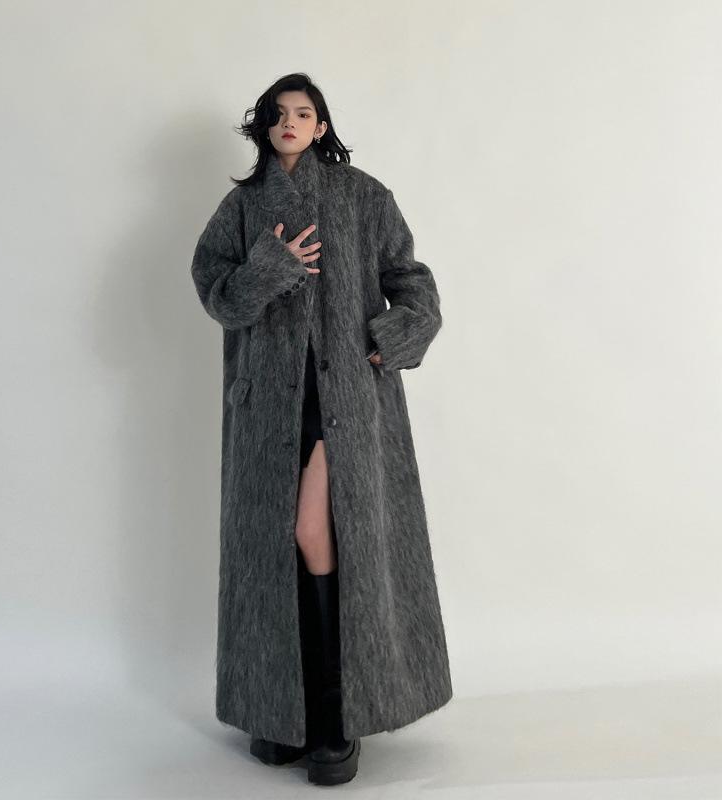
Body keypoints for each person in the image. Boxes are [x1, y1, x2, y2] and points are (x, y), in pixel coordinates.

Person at [191, 72, 451, 787]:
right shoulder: (242, 207)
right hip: (269, 408)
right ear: (263, 127)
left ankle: (335, 715)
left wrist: (395, 337)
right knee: (269, 550)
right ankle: (284, 714)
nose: (290, 123)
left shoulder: (363, 197)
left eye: (304, 113)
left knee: (318, 534)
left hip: (346, 402)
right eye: (278, 114)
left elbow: (413, 283)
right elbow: (218, 297)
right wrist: (269, 268)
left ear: (322, 126)